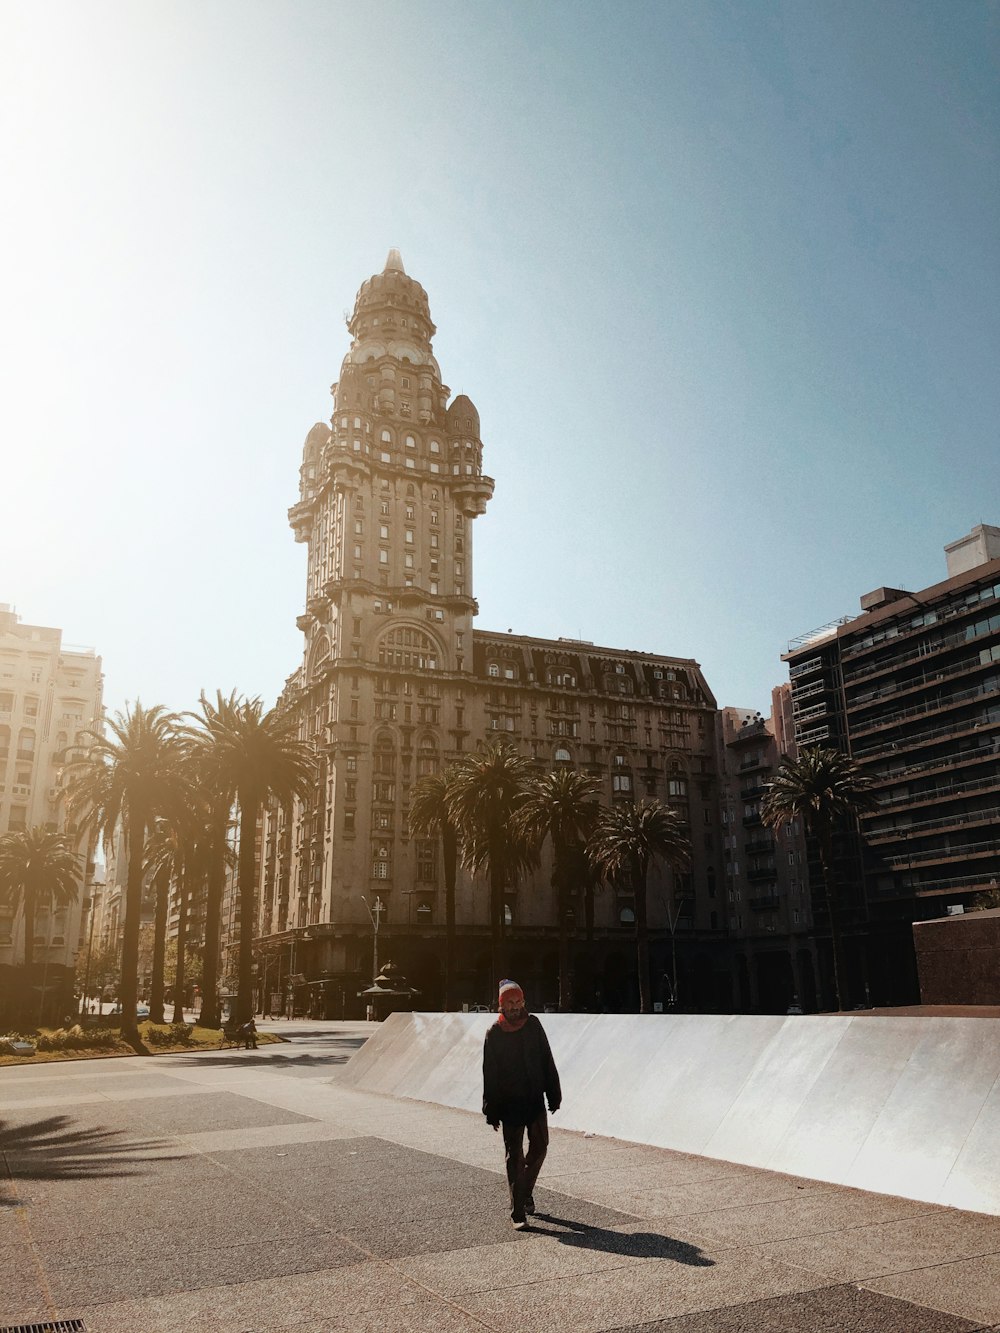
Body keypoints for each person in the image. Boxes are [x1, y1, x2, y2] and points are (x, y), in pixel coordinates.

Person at [482, 979, 561, 1230]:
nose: (515, 1007)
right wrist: (491, 1109)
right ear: (501, 1005)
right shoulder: (494, 1033)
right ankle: (518, 1212)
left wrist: (554, 1093)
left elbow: (547, 1059)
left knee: (540, 1147)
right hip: (509, 1104)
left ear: (524, 1002)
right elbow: (489, 1073)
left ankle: (524, 1190)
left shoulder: (533, 1025)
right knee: (513, 1156)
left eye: (518, 1002)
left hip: (534, 1098)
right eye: (510, 1003)